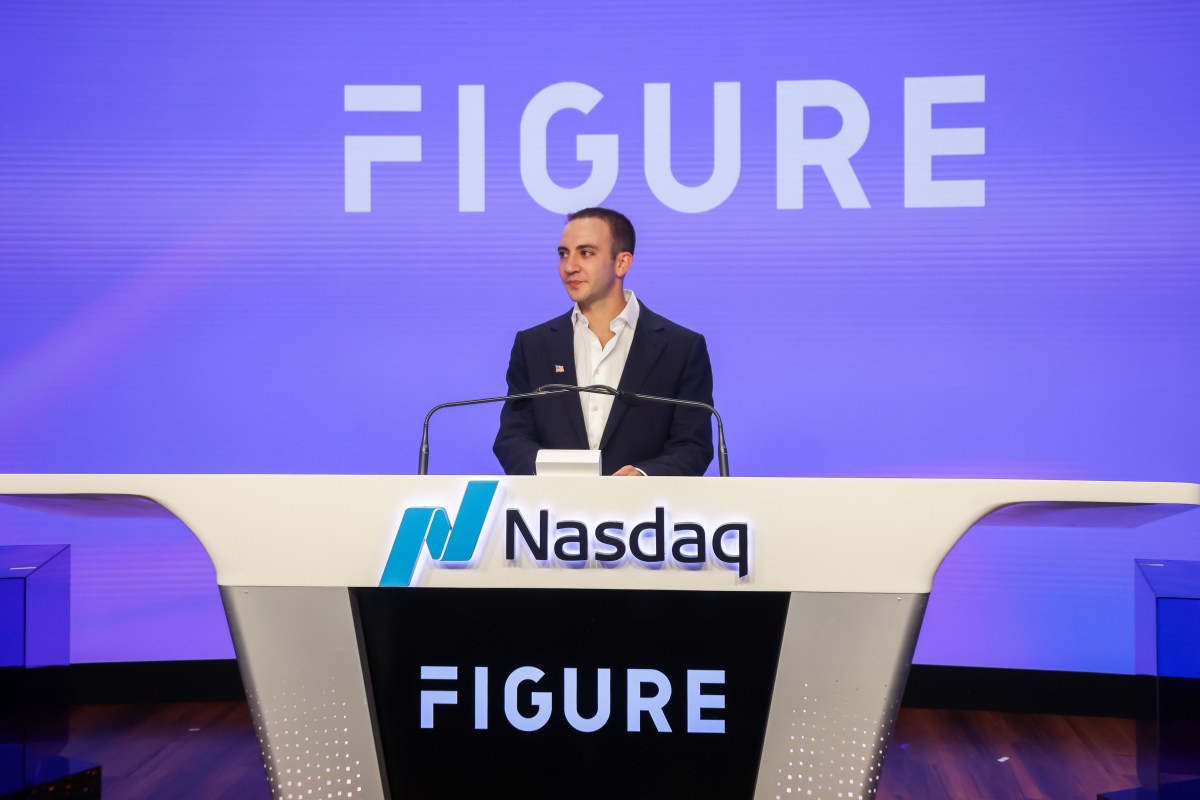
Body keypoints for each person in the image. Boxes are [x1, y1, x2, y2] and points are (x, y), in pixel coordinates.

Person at [493, 208, 714, 476]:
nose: (569, 266)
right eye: (563, 254)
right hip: (551, 502)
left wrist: (644, 475)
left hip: (644, 503)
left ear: (622, 263)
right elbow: (512, 438)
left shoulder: (681, 348)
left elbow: (693, 446)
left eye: (586, 253)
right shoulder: (533, 346)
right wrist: (551, 475)